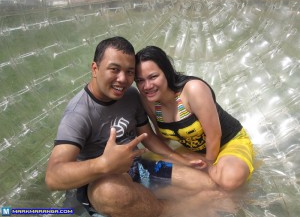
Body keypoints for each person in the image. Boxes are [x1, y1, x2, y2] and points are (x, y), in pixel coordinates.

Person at [45, 37, 218, 217]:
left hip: (137, 168)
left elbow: (148, 136)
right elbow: (53, 176)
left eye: (129, 72)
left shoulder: (130, 95)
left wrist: (180, 159)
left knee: (207, 184)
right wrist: (103, 164)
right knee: (109, 192)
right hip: (101, 181)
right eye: (114, 69)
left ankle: (159, 205)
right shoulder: (78, 113)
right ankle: (168, 210)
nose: (122, 79)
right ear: (95, 68)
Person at [135, 45, 255, 191]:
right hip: (194, 151)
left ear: (166, 72)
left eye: (153, 77)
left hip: (228, 143)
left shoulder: (193, 89)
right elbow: (162, 137)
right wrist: (173, 158)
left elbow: (214, 135)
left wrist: (208, 165)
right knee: (146, 168)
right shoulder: (148, 100)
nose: (147, 86)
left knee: (229, 179)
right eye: (140, 80)